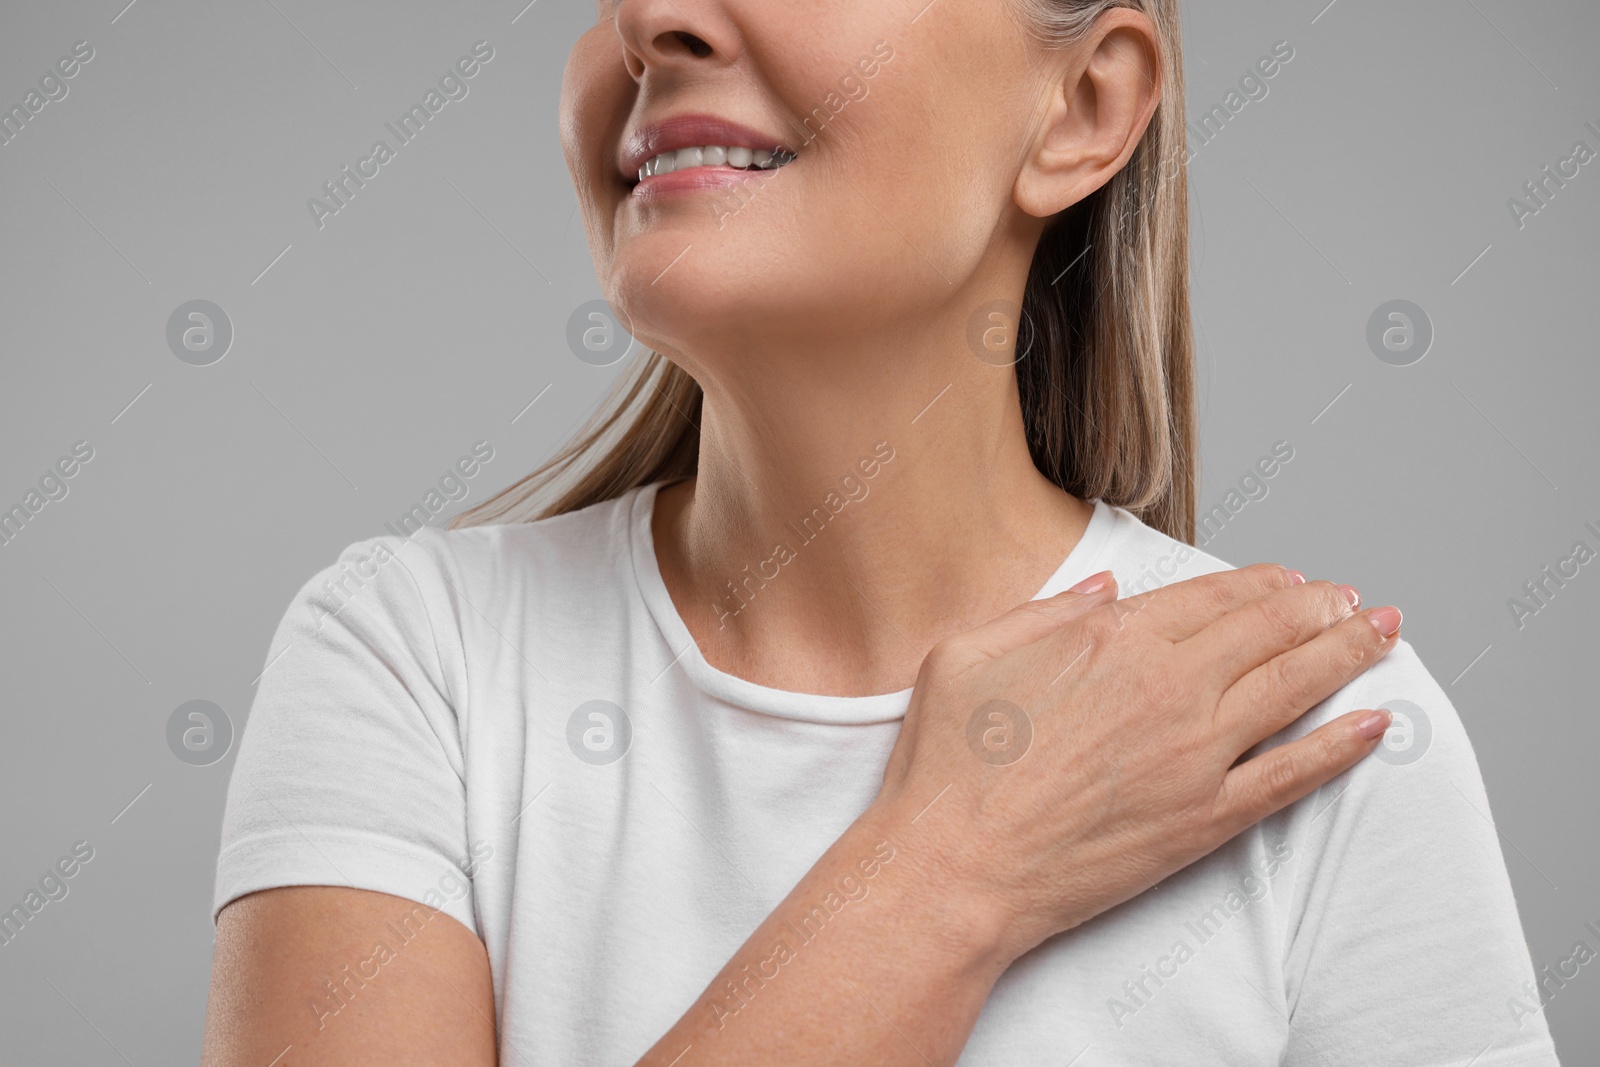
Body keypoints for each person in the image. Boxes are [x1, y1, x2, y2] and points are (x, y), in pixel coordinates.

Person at [200, 1, 1561, 1064]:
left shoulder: (1319, 737)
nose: (653, 21)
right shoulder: (405, 664)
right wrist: (952, 867)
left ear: (1082, 108)